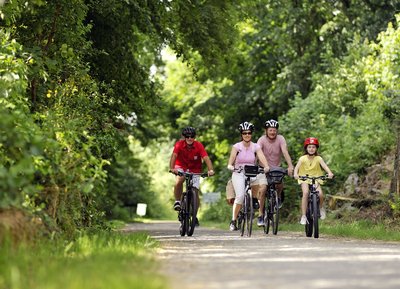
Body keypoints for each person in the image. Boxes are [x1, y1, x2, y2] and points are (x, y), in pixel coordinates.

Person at [227, 122, 270, 231]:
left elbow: (261, 157)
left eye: (249, 133)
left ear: (251, 134)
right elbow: (231, 159)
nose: (247, 135)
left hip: (251, 171)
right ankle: (233, 220)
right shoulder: (237, 146)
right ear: (241, 134)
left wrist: (266, 166)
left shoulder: (256, 146)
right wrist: (230, 166)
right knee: (240, 196)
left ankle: (254, 198)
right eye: (244, 133)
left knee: (258, 182)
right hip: (239, 172)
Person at [254, 119, 294, 227]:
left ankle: (278, 197)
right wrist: (254, 166)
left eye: (274, 130)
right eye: (270, 130)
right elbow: (258, 153)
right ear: (266, 131)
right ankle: (261, 215)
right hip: (263, 169)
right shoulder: (261, 140)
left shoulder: (280, 139)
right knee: (262, 189)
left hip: (276, 168)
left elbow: (285, 152)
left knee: (280, 185)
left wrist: (290, 165)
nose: (272, 132)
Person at [169, 127, 215, 220]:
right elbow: (174, 156)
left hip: (195, 169)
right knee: (179, 180)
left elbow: (206, 158)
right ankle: (178, 201)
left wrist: (211, 170)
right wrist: (172, 168)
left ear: (195, 137)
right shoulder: (179, 144)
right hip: (181, 166)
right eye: (187, 136)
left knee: (195, 190)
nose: (190, 138)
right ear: (184, 137)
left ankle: (194, 215)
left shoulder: (199, 145)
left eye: (192, 136)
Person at [293, 137, 334, 225]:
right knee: (306, 193)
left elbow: (325, 166)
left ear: (316, 148)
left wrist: (329, 173)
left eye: (313, 147)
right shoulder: (302, 158)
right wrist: (295, 174)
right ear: (306, 148)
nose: (311, 149)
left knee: (320, 194)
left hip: (316, 178)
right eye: (309, 147)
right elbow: (296, 168)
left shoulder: (318, 158)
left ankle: (320, 208)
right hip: (304, 178)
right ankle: (303, 216)